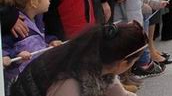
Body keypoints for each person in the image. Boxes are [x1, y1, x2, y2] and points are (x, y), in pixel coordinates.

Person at [10, 21, 147, 96]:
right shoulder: (70, 83)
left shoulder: (96, 55)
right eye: (134, 62)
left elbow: (116, 91)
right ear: (123, 63)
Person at [1, 0, 62, 85]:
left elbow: (39, 38)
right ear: (34, 3)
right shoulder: (16, 25)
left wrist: (50, 42)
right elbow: (3, 46)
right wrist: (14, 55)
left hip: (35, 77)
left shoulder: (38, 19)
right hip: (16, 82)